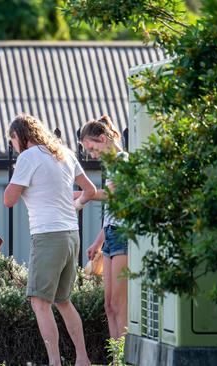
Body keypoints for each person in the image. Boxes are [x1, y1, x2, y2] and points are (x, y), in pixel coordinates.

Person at [4, 114, 96, 366]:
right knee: (63, 300)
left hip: (47, 236)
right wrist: (74, 207)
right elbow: (90, 191)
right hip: (70, 234)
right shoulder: (64, 153)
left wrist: (18, 180)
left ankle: (55, 363)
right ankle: (83, 359)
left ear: (20, 136)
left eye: (12, 140)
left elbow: (8, 200)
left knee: (39, 302)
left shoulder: (27, 157)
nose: (12, 146)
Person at [78, 115, 129, 339]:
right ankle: (116, 359)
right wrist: (98, 242)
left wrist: (83, 194)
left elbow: (112, 195)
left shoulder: (123, 160)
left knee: (119, 303)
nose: (92, 155)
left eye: (92, 148)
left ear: (102, 138)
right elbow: (113, 208)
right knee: (108, 305)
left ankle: (125, 357)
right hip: (110, 236)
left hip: (123, 236)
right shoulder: (112, 166)